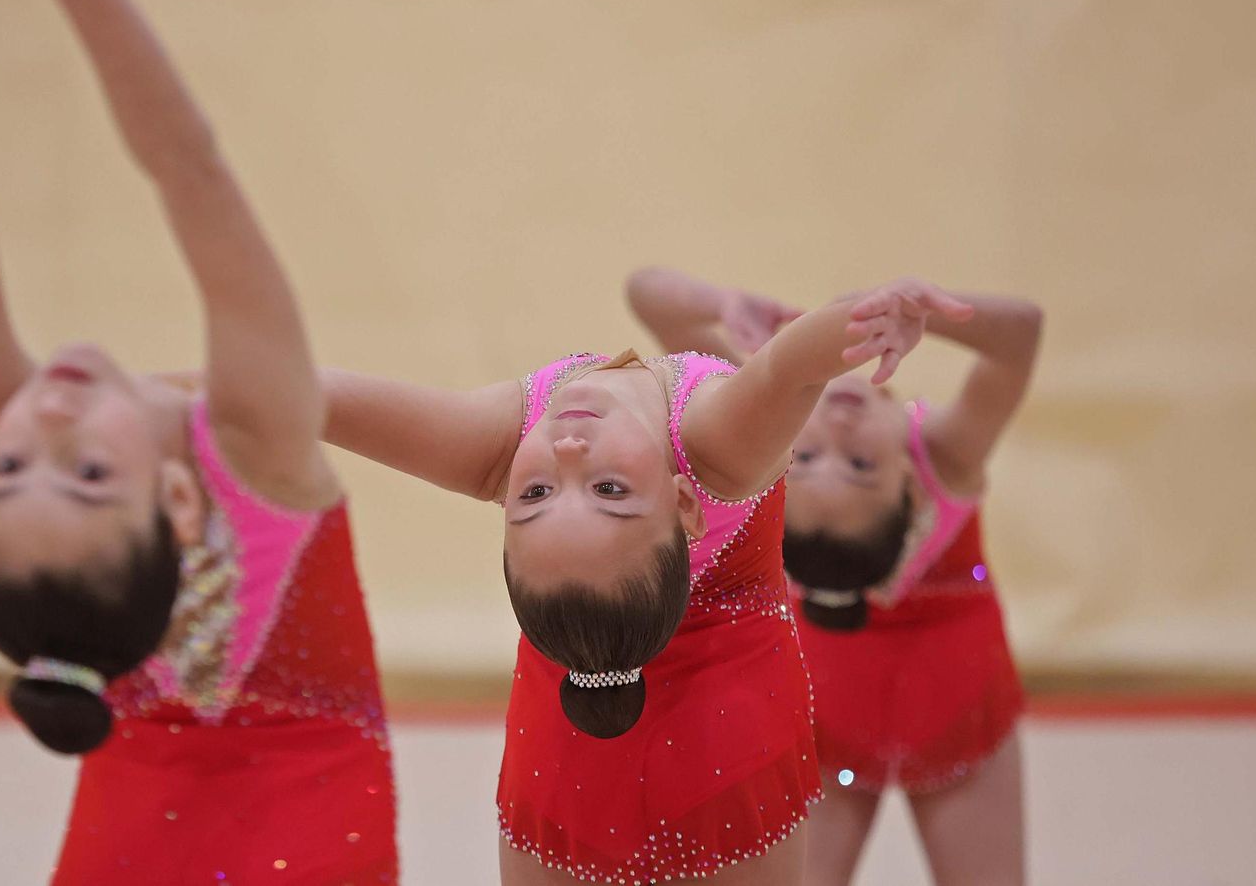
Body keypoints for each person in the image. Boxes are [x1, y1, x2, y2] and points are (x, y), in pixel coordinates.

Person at [0, 0, 396, 882]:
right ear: (180, 503)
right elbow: (192, 171)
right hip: (313, 828)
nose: (40, 425)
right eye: (87, 474)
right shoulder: (261, 449)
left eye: (3, 473)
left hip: (155, 819)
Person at [322, 275, 972, 883]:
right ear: (684, 503)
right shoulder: (718, 446)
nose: (567, 452)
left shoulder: (502, 445)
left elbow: (310, 399)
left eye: (536, 494)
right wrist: (870, 319)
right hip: (730, 745)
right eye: (609, 490)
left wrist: (231, 397)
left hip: (573, 739)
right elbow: (790, 364)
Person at [628, 266, 1041, 886]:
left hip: (897, 704)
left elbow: (649, 297)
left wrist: (725, 302)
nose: (840, 432)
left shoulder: (763, 434)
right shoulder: (947, 455)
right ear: (911, 483)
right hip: (893, 704)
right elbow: (1021, 336)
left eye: (816, 460)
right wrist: (936, 313)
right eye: (857, 464)